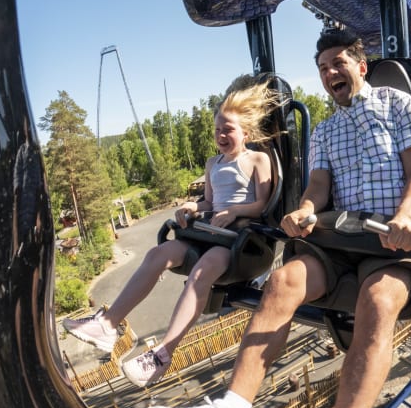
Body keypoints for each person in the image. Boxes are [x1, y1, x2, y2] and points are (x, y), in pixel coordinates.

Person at [145, 29, 411, 408]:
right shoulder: (325, 132)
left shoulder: (399, 106)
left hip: (389, 240)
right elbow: (317, 187)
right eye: (322, 67)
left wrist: (406, 216)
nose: (330, 72)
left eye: (338, 63)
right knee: (281, 281)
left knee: (378, 300)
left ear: (361, 66)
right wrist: (305, 210)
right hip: (339, 238)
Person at [62, 77, 285, 388]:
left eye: (228, 130)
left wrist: (234, 211)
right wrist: (193, 208)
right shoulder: (212, 163)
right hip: (210, 232)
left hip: (240, 241)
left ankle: (163, 354)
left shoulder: (258, 160)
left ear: (245, 132)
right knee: (158, 253)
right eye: (217, 130)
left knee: (200, 274)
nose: (221, 135)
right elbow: (208, 200)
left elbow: (263, 205)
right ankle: (108, 325)